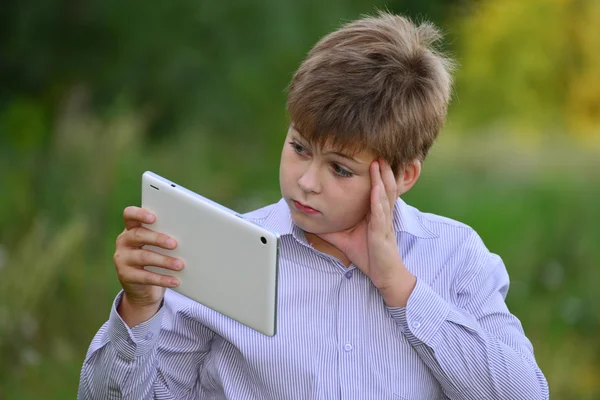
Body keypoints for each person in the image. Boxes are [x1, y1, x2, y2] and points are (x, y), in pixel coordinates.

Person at [78, 11, 549, 400]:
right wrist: (139, 309)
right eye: (299, 147)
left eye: (340, 169)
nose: (305, 182)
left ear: (403, 176)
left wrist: (400, 288)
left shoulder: (455, 255)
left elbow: (525, 394)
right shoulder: (221, 248)